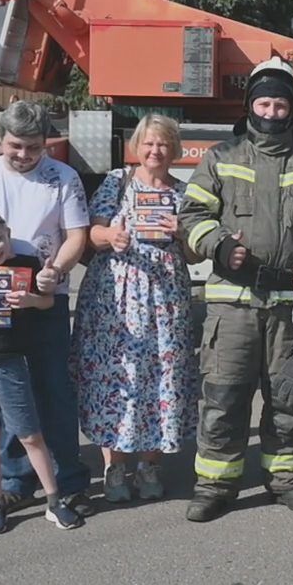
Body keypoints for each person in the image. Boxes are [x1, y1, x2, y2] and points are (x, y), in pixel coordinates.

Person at [176, 58, 293, 523]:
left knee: (291, 399)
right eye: (264, 102)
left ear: (292, 110)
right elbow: (191, 217)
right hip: (232, 304)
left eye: (280, 104)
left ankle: (287, 481)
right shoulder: (221, 157)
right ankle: (215, 485)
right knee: (223, 398)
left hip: (292, 306)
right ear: (250, 105)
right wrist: (216, 247)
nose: (271, 112)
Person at [0, 98, 92, 510]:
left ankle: (68, 478)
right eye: (15, 146)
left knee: (52, 387)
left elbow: (76, 234)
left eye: (33, 147)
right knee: (3, 390)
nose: (24, 155)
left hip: (43, 298)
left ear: (46, 143)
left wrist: (56, 270)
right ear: (1, 141)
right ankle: (15, 479)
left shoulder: (63, 177)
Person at [75, 114, 199, 504]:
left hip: (165, 297)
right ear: (137, 147)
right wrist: (110, 234)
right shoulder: (118, 181)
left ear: (174, 150)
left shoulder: (185, 193)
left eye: (162, 144)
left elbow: (195, 252)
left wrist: (181, 230)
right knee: (116, 376)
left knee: (160, 376)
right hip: (117, 296)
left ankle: (150, 464)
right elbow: (91, 234)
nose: (155, 151)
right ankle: (114, 467)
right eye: (148, 143)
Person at [0, 207, 83, 534]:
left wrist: (28, 300)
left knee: (29, 433)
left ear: (8, 234)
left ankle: (54, 499)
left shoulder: (25, 265)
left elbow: (47, 301)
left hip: (11, 362)